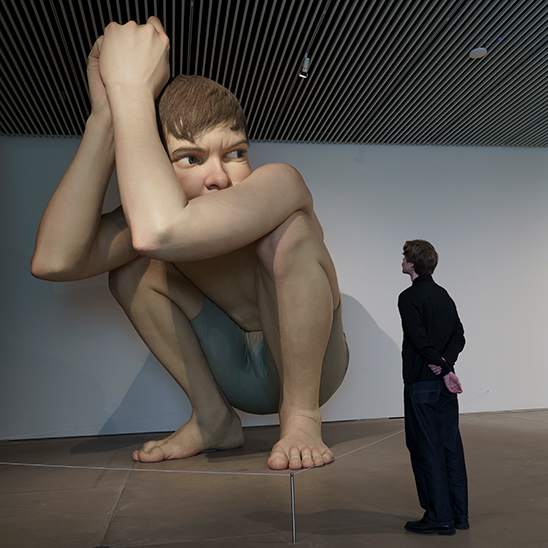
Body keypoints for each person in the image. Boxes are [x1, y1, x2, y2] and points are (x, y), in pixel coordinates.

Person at [30, 17, 348, 471]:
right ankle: (214, 418)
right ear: (157, 164)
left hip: (311, 368)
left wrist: (132, 88)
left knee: (288, 231)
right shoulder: (157, 219)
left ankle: (300, 417)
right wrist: (106, 117)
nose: (219, 177)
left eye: (235, 152)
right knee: (132, 266)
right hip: (236, 370)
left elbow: (161, 231)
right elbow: (53, 261)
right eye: (191, 159)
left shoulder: (278, 183)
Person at [398, 240, 468, 535]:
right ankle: (459, 516)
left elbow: (418, 338)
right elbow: (459, 335)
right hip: (444, 385)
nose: (401, 261)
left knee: (426, 449)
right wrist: (447, 365)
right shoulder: (443, 295)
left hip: (421, 385)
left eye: (404, 257)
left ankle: (439, 517)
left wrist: (437, 364)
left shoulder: (408, 297)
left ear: (412, 263)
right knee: (450, 447)